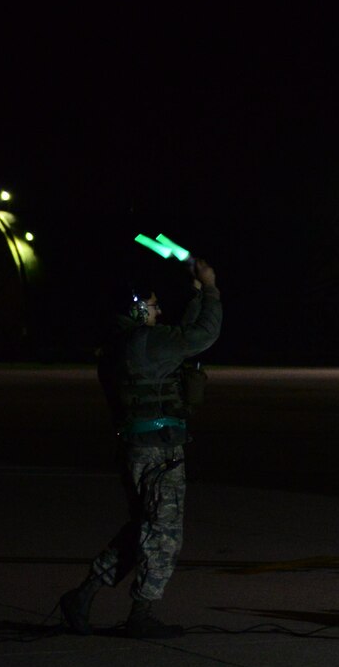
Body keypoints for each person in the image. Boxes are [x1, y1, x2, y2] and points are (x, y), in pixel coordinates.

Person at [59, 259, 222, 637]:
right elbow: (200, 336)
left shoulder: (121, 345)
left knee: (142, 529)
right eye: (151, 306)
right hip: (159, 453)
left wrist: (196, 296)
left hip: (137, 449)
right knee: (164, 532)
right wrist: (211, 288)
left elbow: (180, 335)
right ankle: (141, 613)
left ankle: (84, 595)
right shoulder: (144, 344)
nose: (158, 311)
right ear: (135, 309)